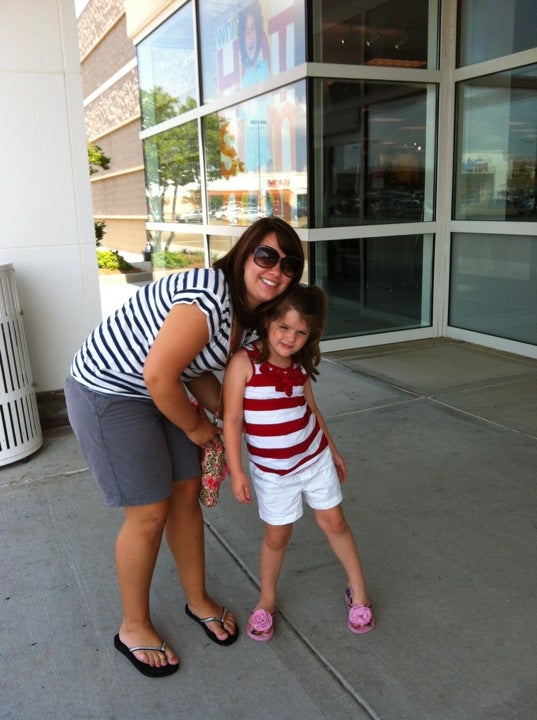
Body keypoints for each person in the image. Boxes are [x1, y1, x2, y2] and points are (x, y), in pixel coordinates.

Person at [65, 217, 304, 677]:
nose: (276, 270)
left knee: (186, 492)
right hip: (110, 391)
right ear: (244, 253)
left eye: (289, 263)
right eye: (266, 255)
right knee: (149, 511)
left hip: (160, 389)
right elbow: (158, 374)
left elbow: (193, 368)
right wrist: (197, 428)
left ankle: (197, 599)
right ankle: (133, 626)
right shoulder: (210, 297)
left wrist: (239, 420)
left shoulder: (250, 316)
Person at [223, 285, 374, 641]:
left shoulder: (299, 365)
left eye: (301, 332)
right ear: (268, 321)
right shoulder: (244, 363)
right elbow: (232, 419)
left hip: (313, 458)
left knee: (335, 522)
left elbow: (312, 409)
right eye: (284, 327)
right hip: (273, 473)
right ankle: (267, 599)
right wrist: (237, 470)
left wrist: (332, 450)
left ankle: (358, 591)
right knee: (277, 536)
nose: (290, 338)